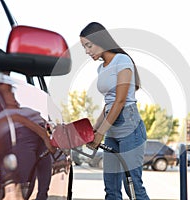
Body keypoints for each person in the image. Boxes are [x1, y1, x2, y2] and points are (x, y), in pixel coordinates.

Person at [80, 22, 150, 200]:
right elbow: (108, 104)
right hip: (111, 128)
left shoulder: (122, 60)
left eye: (89, 45)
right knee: (111, 188)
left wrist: (100, 133)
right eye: (84, 47)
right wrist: (94, 129)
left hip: (129, 127)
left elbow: (119, 102)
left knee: (132, 187)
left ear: (100, 40)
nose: (87, 51)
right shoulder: (101, 67)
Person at [0, 72, 55, 200]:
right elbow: (18, 119)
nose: (12, 94)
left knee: (42, 186)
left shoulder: (23, 108)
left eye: (11, 91)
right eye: (8, 92)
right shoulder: (6, 113)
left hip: (39, 137)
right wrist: (44, 136)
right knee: (25, 186)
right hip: (26, 137)